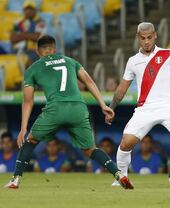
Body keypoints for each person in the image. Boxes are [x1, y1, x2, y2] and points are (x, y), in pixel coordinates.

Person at [3, 35, 130, 189]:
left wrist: (23, 128)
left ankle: (15, 179)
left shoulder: (33, 69)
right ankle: (118, 173)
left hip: (55, 109)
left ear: (38, 51)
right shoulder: (70, 61)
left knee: (31, 140)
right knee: (90, 149)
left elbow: (28, 100)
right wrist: (103, 104)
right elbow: (89, 81)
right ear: (54, 50)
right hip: (78, 108)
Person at [108, 22, 170, 188]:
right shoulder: (133, 61)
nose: (146, 41)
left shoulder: (168, 54)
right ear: (138, 38)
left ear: (155, 36)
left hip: (168, 106)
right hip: (145, 109)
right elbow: (121, 89)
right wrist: (111, 108)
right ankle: (121, 177)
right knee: (125, 143)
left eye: (149, 37)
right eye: (143, 38)